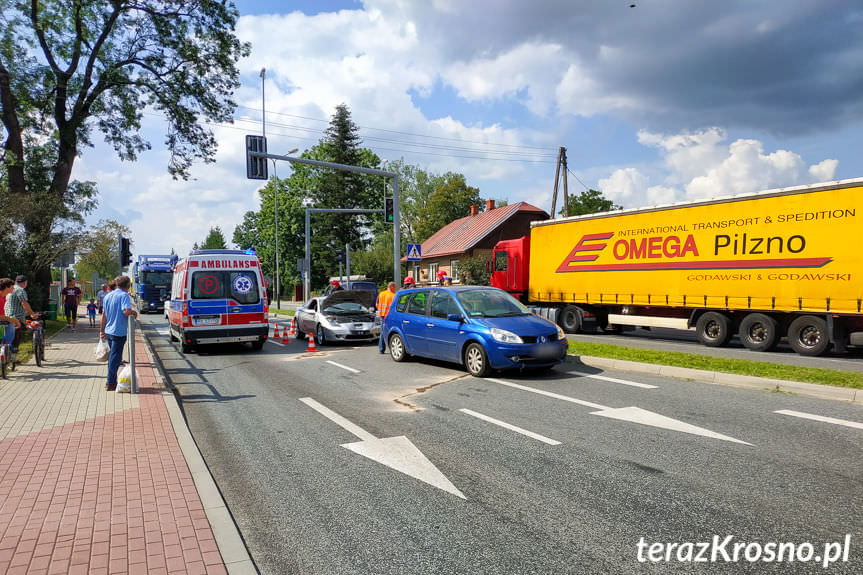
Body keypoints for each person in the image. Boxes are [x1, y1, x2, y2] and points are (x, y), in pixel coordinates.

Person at [100, 275, 138, 391]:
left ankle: (111, 381)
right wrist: (134, 312)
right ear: (128, 285)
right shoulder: (124, 295)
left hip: (109, 330)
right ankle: (110, 383)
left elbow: (104, 315)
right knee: (115, 359)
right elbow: (126, 311)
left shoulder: (108, 296)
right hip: (119, 331)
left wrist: (101, 330)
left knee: (113, 357)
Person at [4, 275, 37, 359]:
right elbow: (24, 303)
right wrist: (32, 314)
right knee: (20, 331)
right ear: (25, 283)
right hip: (16, 318)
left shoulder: (10, 289)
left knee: (9, 336)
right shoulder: (20, 290)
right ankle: (13, 354)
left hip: (6, 316)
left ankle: (9, 353)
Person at [375, 281, 397, 354]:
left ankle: (381, 349)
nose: (395, 289)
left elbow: (376, 303)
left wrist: (380, 310)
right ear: (391, 287)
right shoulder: (393, 295)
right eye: (394, 287)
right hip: (389, 316)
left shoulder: (381, 293)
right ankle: (386, 348)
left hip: (382, 315)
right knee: (391, 331)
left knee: (383, 331)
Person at [0, 278, 21, 350]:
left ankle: (5, 346)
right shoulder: (0, 298)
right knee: (10, 323)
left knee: (8, 323)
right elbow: (1, 317)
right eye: (12, 287)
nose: (13, 288)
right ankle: (7, 348)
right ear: (7, 287)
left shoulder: (3, 297)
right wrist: (15, 320)